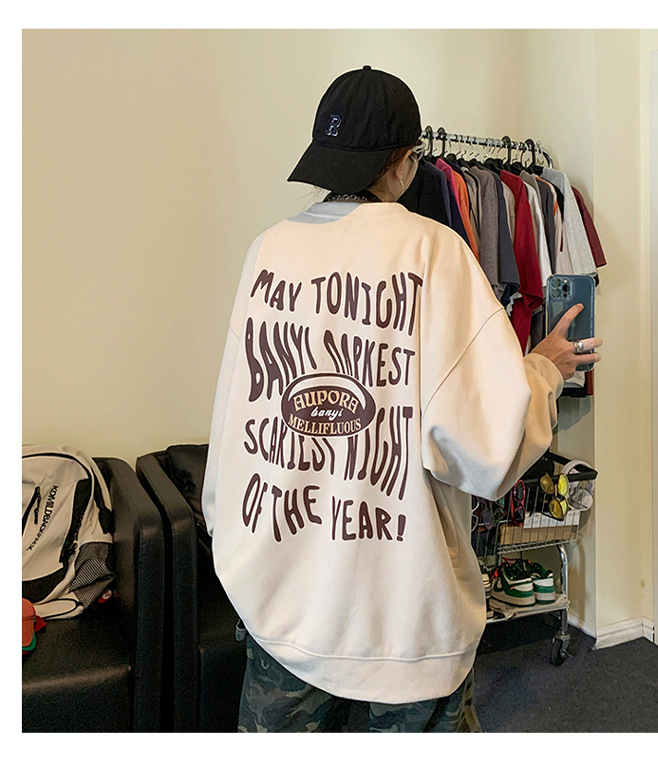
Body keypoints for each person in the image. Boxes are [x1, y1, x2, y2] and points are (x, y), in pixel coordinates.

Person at [202, 65, 602, 733]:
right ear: (406, 161)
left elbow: (236, 412)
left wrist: (228, 528)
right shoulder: (434, 253)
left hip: (282, 592)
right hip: (403, 606)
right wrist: (544, 368)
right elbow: (486, 443)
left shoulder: (268, 250)